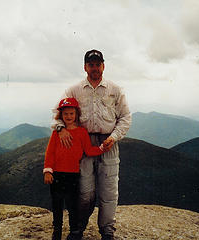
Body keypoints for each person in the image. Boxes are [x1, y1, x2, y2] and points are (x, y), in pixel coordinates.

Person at [52, 49, 131, 240]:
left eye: (98, 64)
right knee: (84, 191)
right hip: (83, 145)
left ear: (103, 65)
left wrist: (114, 137)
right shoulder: (74, 90)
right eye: (91, 64)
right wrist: (60, 129)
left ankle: (107, 232)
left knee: (109, 191)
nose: (94, 68)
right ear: (85, 67)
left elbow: (125, 117)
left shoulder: (115, 89)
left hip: (108, 143)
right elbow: (56, 112)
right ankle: (78, 228)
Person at [44, 97, 107, 240]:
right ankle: (57, 231)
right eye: (65, 114)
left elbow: (89, 150)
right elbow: (50, 152)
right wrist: (48, 170)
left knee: (73, 205)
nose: (69, 117)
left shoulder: (82, 132)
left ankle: (74, 231)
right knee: (57, 204)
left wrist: (103, 148)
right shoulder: (56, 133)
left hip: (73, 175)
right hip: (57, 175)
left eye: (71, 113)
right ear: (61, 116)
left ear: (76, 114)